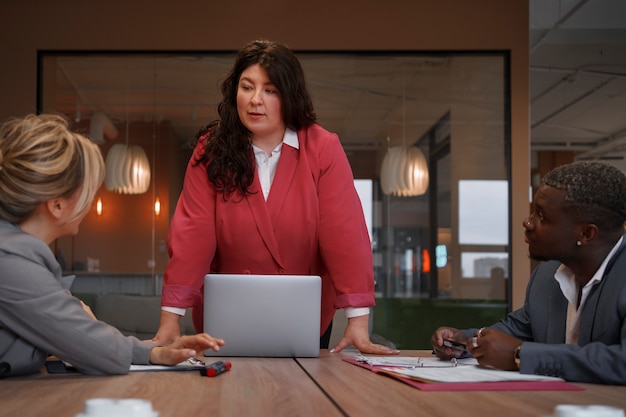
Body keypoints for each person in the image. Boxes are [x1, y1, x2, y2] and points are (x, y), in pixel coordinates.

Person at [153, 39, 397, 355]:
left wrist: (358, 322)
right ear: (233, 92)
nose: (256, 100)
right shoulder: (210, 149)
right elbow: (192, 237)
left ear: (289, 96)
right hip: (226, 317)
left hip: (307, 317)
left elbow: (345, 235)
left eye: (270, 90)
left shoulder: (323, 148)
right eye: (247, 87)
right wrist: (170, 318)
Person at [0, 114, 224, 377]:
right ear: (57, 205)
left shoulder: (15, 252)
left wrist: (152, 352)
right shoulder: (11, 259)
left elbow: (70, 336)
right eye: (87, 191)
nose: (92, 201)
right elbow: (86, 343)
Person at [431, 160, 626, 384]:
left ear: (586, 234)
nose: (528, 222)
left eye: (541, 216)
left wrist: (520, 355)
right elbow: (513, 332)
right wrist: (463, 341)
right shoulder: (547, 276)